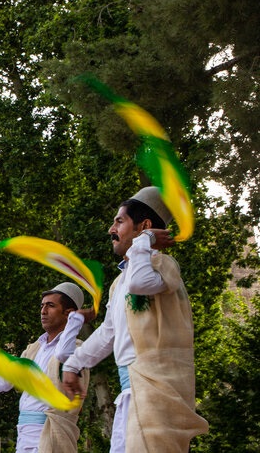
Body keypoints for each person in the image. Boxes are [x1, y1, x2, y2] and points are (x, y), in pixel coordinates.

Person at [61, 187, 209, 452]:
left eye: (119, 221)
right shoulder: (119, 283)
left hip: (158, 392)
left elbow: (141, 283)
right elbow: (109, 332)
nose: (110, 229)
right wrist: (73, 364)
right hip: (131, 393)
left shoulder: (163, 265)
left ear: (145, 226)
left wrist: (144, 242)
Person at [0, 283, 91, 453]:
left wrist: (75, 321)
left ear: (69, 313)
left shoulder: (77, 349)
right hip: (25, 433)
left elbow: (63, 354)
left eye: (51, 306)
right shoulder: (34, 349)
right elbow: (5, 378)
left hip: (52, 432)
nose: (43, 311)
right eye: (42, 306)